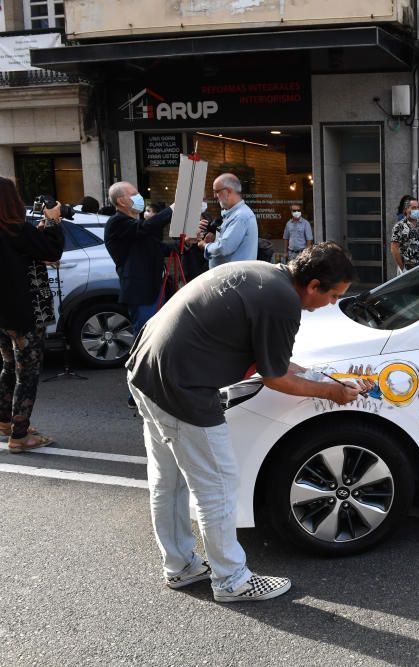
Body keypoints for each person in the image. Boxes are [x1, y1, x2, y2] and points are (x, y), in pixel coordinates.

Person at [126, 242, 369, 602]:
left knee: (170, 480)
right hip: (181, 387)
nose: (332, 304)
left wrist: (321, 377)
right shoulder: (283, 302)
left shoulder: (265, 275)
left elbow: (273, 361)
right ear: (314, 285)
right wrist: (332, 393)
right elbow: (275, 378)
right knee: (219, 486)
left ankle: (180, 567)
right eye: (333, 296)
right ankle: (232, 581)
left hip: (146, 369)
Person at [0, 177, 63, 451]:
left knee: (8, 366)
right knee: (28, 372)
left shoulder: (16, 233)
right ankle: (20, 435)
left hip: (2, 316)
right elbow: (52, 250)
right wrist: (53, 221)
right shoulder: (16, 231)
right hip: (24, 313)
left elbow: (34, 249)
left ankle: (5, 421)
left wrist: (41, 231)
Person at [104, 182, 174, 339]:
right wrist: (172, 210)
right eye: (134, 194)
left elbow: (158, 248)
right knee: (146, 336)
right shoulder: (117, 222)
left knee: (156, 335)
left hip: (153, 289)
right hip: (141, 292)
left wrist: (187, 244)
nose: (139, 198)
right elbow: (146, 228)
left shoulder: (134, 224)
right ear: (121, 201)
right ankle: (141, 364)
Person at [194, 173, 258, 269]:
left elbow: (224, 248)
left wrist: (205, 246)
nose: (215, 196)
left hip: (236, 279)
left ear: (228, 191)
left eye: (217, 191)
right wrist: (214, 239)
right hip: (229, 278)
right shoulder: (233, 214)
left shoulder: (241, 216)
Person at [391, 198, 419, 273]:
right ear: (406, 209)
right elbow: (394, 248)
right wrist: (402, 268)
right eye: (413, 208)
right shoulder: (399, 226)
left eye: (417, 207)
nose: (416, 210)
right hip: (407, 269)